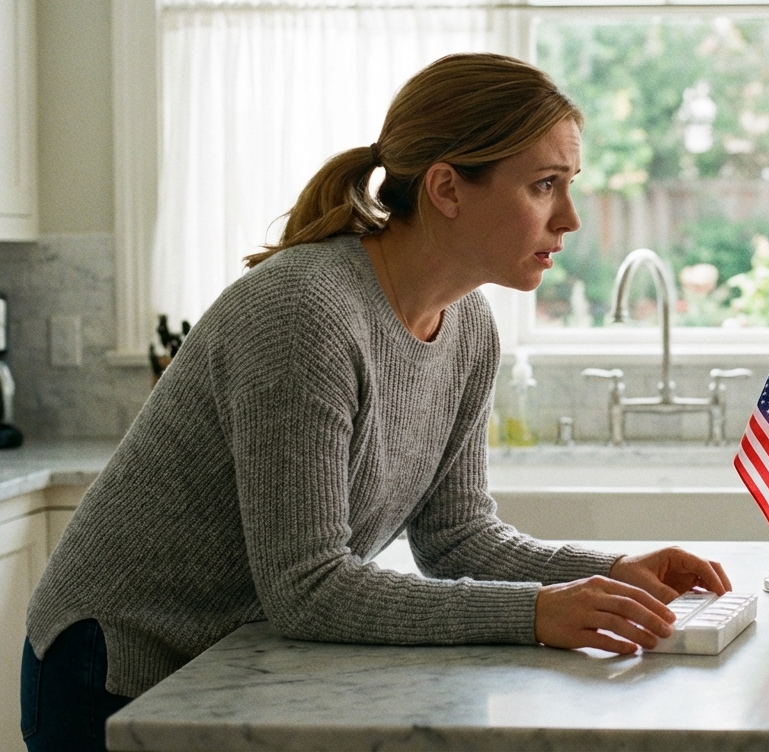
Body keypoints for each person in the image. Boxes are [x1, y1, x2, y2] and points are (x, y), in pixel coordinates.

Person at [21, 53, 731, 752]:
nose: (570, 218)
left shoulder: (468, 326)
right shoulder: (305, 312)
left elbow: (457, 536)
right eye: (544, 185)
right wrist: (537, 611)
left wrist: (610, 572)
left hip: (233, 664)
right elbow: (308, 587)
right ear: (447, 189)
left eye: (569, 185)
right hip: (115, 667)